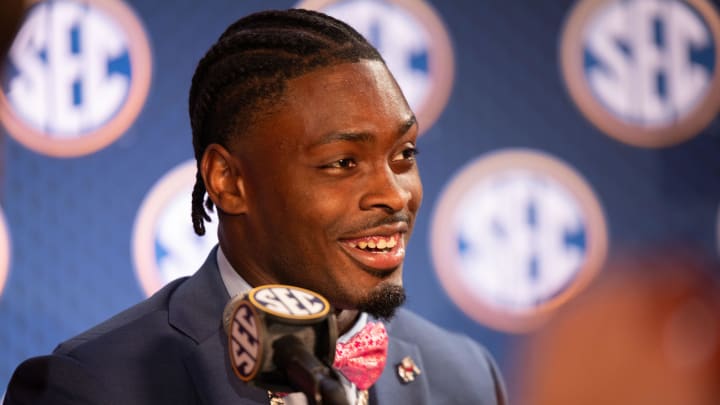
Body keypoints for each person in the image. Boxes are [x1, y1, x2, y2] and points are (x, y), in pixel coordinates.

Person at [3, 8, 507, 405]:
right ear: (228, 181)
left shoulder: (467, 375)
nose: (395, 194)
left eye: (404, 155)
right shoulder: (93, 388)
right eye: (342, 162)